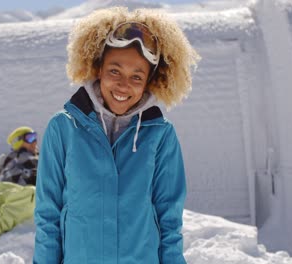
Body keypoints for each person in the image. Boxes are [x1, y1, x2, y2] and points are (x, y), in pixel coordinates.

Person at [33, 7, 199, 264]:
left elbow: (169, 218)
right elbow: (48, 214)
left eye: (137, 76)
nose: (124, 85)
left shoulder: (161, 135)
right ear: (98, 68)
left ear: (149, 82)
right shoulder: (62, 129)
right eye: (115, 71)